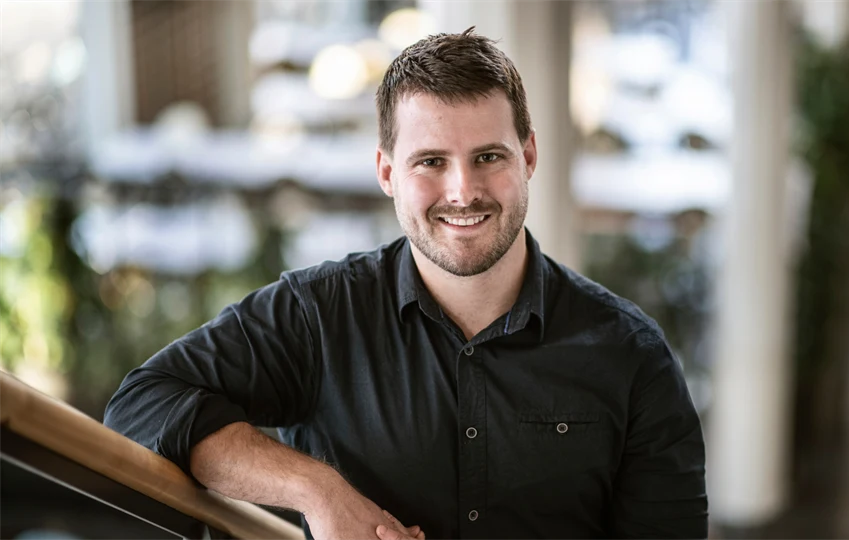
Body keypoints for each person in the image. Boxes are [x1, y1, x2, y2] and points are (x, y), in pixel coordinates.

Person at [104, 28, 707, 540]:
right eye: (431, 161)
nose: (463, 191)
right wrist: (316, 488)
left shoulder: (631, 355)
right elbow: (140, 406)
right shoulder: (321, 313)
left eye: (489, 157)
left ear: (528, 156)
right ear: (388, 172)